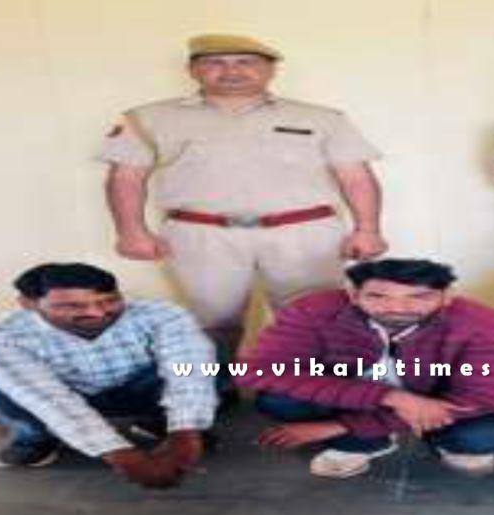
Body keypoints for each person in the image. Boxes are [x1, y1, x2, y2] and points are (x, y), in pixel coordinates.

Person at [99, 33, 388, 365]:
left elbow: (356, 176)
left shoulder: (323, 119)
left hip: (304, 232)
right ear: (192, 70)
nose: (231, 71)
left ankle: (305, 386)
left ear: (271, 70)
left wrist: (368, 230)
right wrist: (131, 232)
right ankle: (218, 388)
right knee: (212, 322)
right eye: (215, 63)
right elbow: (125, 178)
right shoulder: (147, 118)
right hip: (202, 233)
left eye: (246, 62)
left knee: (313, 319)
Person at [236, 259, 494, 479]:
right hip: (352, 398)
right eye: (378, 297)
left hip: (437, 404)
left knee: (481, 436)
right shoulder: (311, 311)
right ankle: (365, 443)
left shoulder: (486, 326)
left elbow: (480, 399)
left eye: (419, 297)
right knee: (280, 400)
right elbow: (258, 371)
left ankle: (429, 437)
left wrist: (338, 426)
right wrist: (392, 398)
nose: (398, 307)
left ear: (447, 296)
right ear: (353, 294)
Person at [0, 263, 219, 489]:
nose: (97, 313)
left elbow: (189, 370)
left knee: (206, 367)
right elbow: (46, 398)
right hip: (67, 394)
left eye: (109, 300)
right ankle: (36, 438)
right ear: (28, 304)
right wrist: (124, 458)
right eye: (72, 306)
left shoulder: (161, 313)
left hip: (137, 388)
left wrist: (185, 431)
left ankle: (160, 420)